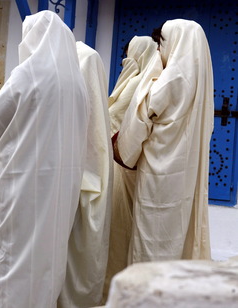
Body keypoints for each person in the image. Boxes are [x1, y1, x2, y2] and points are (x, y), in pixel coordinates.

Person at [0, 11, 88, 307]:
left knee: (12, 261)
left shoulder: (28, 74)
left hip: (23, 185)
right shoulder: (78, 86)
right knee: (47, 259)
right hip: (61, 188)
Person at [115, 19, 213, 263]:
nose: (159, 51)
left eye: (161, 44)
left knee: (152, 234)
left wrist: (121, 150)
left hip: (158, 177)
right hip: (186, 174)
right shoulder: (201, 84)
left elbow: (136, 129)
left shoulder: (165, 82)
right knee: (180, 232)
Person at [57, 41, 113, 308]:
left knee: (79, 263)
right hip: (67, 189)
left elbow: (94, 154)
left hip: (83, 186)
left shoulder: (85, 62)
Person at [104, 36, 158, 297]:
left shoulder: (137, 83)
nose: (126, 60)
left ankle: (116, 287)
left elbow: (113, 119)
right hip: (123, 164)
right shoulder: (139, 80)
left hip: (122, 166)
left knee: (119, 227)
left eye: (130, 55)